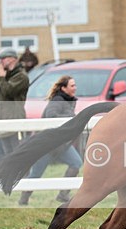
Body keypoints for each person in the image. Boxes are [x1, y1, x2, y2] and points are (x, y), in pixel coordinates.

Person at [18, 75, 83, 206]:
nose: (75, 88)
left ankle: (63, 194)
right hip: (46, 145)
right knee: (36, 175)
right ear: (64, 88)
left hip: (61, 145)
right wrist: (72, 117)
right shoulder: (58, 100)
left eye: (75, 85)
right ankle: (23, 200)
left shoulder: (69, 100)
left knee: (76, 163)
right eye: (72, 85)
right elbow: (51, 116)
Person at [0, 47, 29, 155]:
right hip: (2, 120)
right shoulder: (4, 75)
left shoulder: (21, 76)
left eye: (3, 58)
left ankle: (23, 172)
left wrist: (1, 79)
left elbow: (9, 92)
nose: (0, 62)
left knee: (18, 154)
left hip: (15, 120)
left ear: (13, 59)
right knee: (8, 154)